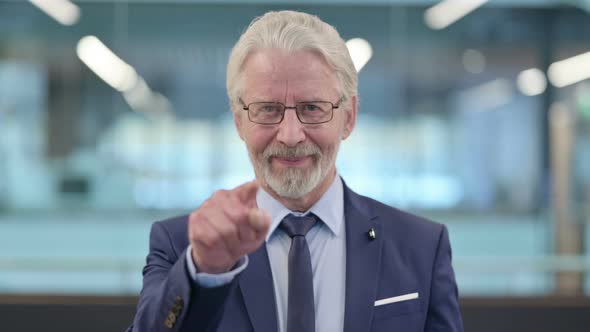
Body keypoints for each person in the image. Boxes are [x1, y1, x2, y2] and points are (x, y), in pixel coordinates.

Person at [127, 10, 463, 332]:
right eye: (268, 109)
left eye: (313, 108)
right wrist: (204, 270)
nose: (289, 135)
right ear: (238, 120)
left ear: (348, 117)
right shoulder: (182, 246)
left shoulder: (420, 247)